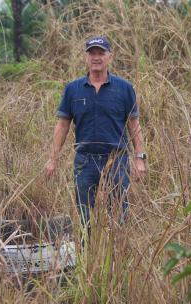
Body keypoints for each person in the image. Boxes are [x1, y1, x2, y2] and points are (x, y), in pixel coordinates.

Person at [44, 35, 146, 231]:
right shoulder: (73, 89)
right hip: (85, 161)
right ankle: (86, 257)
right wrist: (53, 159)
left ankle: (116, 258)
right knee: (84, 218)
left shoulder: (124, 89)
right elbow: (62, 125)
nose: (96, 57)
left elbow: (134, 125)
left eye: (101, 53)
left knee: (118, 216)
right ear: (86, 57)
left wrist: (139, 158)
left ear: (110, 57)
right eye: (92, 53)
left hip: (117, 161)